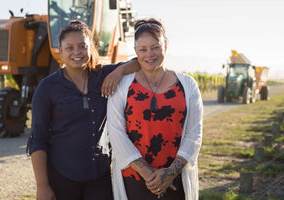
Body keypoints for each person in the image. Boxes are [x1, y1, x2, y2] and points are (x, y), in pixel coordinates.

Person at [27, 20, 139, 200]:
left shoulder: (103, 75)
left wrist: (119, 71)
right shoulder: (47, 87)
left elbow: (138, 63)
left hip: (99, 175)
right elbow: (38, 139)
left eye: (82, 46)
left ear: (90, 48)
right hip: (63, 176)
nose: (76, 52)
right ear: (60, 52)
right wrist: (42, 186)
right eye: (69, 48)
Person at [107, 18, 203, 200]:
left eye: (155, 47)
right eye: (142, 49)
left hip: (175, 179)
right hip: (134, 179)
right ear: (135, 52)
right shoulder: (122, 86)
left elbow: (194, 134)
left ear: (165, 46)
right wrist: (148, 175)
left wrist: (169, 174)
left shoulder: (188, 85)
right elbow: (116, 133)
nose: (149, 54)